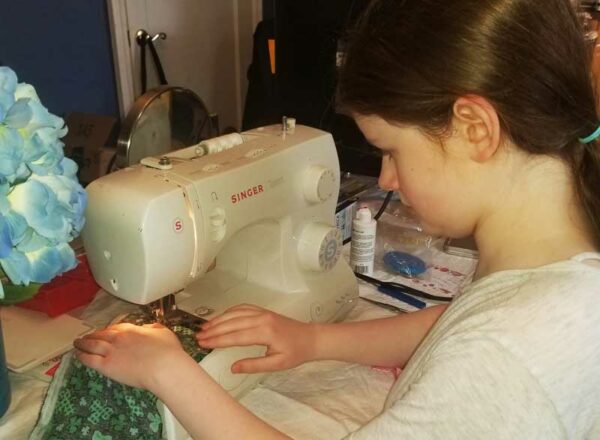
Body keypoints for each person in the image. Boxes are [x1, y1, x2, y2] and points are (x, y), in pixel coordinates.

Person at [74, 0, 600, 438]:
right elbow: (454, 321)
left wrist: (170, 374)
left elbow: (482, 342)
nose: (387, 179)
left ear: (474, 129)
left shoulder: (502, 360)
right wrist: (315, 341)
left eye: (390, 151)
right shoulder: (555, 269)